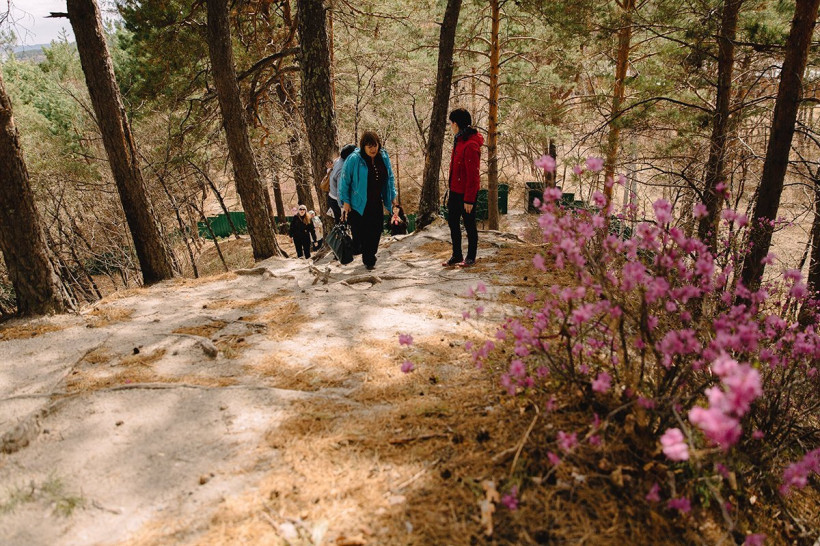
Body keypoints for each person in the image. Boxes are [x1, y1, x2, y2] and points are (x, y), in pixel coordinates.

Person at [338, 131, 398, 270]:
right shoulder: (354, 159)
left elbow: (389, 177)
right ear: (363, 146)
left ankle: (369, 257)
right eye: (369, 146)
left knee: (376, 230)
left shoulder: (383, 156)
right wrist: (345, 201)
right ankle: (366, 256)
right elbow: (344, 180)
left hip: (376, 201)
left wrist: (392, 196)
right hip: (358, 204)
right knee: (361, 234)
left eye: (375, 145)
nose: (373, 149)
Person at [444, 108, 482, 267]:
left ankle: (471, 257)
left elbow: (473, 176)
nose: (450, 126)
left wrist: (469, 200)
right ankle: (457, 255)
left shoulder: (471, 144)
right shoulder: (459, 140)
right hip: (455, 191)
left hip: (467, 194)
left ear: (456, 124)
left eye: (451, 123)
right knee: (453, 223)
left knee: (469, 225)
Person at [328, 144, 357, 221]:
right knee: (343, 223)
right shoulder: (342, 169)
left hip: (332, 196)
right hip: (337, 200)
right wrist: (342, 207)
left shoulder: (338, 160)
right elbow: (340, 190)